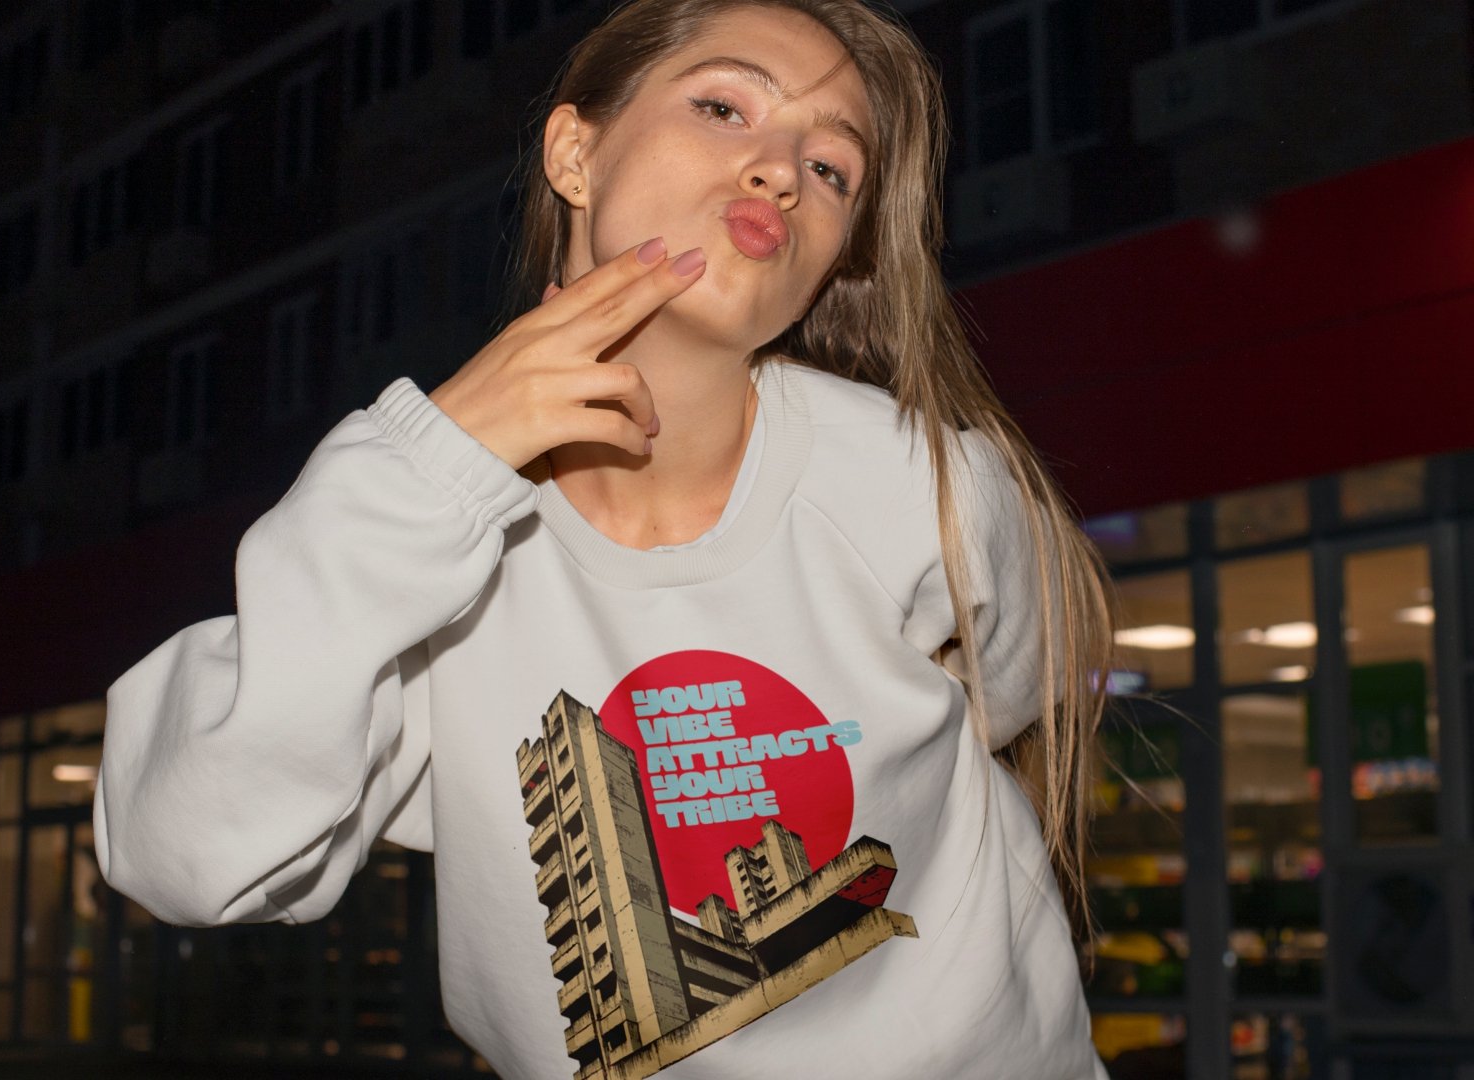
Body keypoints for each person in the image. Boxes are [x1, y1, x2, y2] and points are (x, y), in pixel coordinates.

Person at [93, 1, 1124, 1077]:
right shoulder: (424, 550)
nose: (780, 170)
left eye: (831, 169)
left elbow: (1025, 675)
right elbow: (184, 855)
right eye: (725, 107)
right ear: (574, 154)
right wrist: (431, 464)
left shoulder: (925, 486)